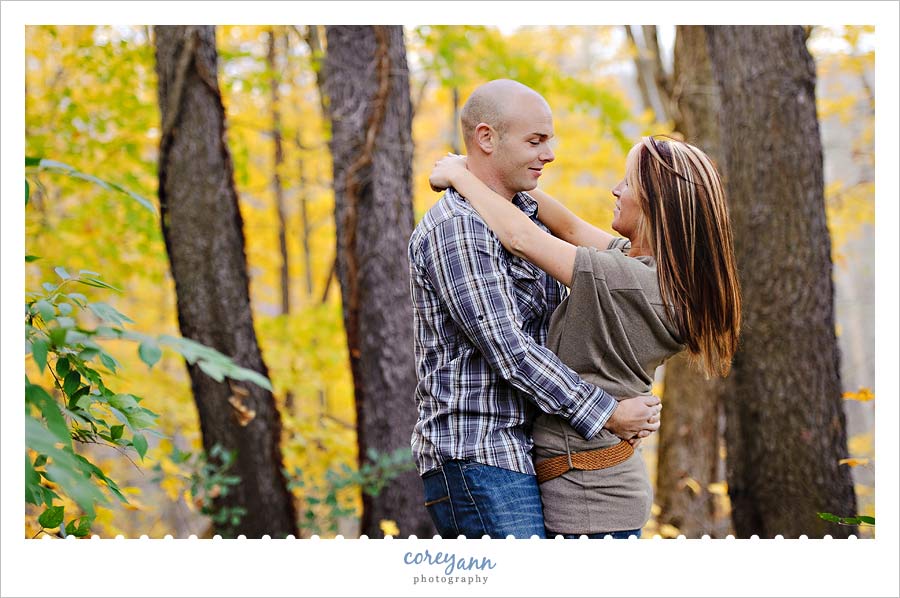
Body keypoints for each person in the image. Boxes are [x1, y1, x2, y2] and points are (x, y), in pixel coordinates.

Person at [428, 136, 741, 538]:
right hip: (599, 484)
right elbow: (570, 226)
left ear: (654, 203)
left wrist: (461, 177)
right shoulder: (650, 272)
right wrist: (492, 174)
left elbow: (522, 238)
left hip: (590, 495)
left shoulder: (629, 281)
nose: (615, 189)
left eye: (628, 182)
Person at [408, 79, 662, 539]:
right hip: (478, 454)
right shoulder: (459, 229)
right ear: (487, 138)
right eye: (535, 140)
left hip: (521, 451)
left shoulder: (524, 218)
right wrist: (607, 412)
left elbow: (579, 250)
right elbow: (512, 351)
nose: (550, 154)